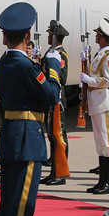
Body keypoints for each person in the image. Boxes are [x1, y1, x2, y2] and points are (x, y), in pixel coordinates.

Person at [0, 2, 61, 216]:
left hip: (11, 135)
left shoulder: (2, 65)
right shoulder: (25, 65)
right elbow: (52, 95)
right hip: (26, 139)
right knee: (21, 210)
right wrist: (55, 66)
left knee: (8, 207)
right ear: (27, 36)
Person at [81, 18, 109, 195]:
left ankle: (108, 183)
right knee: (100, 143)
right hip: (96, 103)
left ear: (103, 37)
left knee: (107, 144)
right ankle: (101, 181)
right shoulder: (100, 53)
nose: (95, 36)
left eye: (98, 34)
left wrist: (90, 81)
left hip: (104, 103)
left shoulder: (108, 55)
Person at [40, 20, 70, 186]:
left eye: (50, 34)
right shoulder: (50, 53)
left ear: (54, 37)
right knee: (52, 136)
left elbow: (62, 78)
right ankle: (54, 172)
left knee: (59, 137)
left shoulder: (61, 55)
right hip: (50, 99)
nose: (48, 36)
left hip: (57, 99)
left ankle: (60, 173)